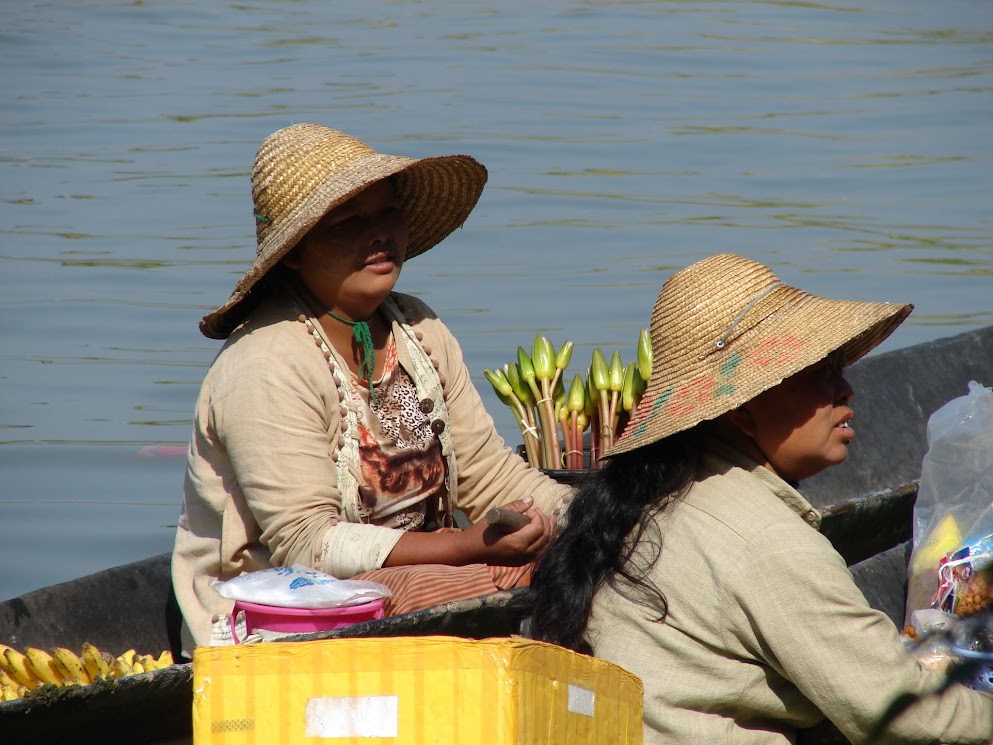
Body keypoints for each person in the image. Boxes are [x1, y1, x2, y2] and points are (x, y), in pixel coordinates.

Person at [529, 253, 993, 744]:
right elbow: (903, 713)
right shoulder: (768, 541)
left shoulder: (654, 492)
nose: (846, 389)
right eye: (819, 371)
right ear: (742, 414)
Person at [172, 123, 571, 653]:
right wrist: (467, 545)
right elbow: (308, 545)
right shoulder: (266, 362)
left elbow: (489, 474)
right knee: (530, 583)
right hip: (283, 616)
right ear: (293, 251)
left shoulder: (419, 330)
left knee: (602, 554)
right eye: (348, 222)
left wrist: (596, 518)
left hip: (427, 573)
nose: (378, 234)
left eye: (387, 213)